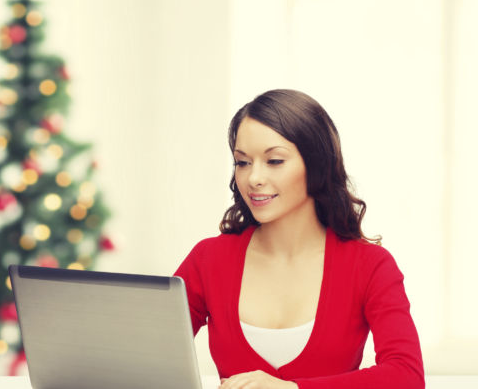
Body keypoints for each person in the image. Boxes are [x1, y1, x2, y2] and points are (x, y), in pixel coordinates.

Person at [174, 89, 424, 389]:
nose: (253, 178)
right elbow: (150, 356)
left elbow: (406, 376)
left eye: (275, 161)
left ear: (316, 165)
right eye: (242, 162)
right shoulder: (208, 259)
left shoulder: (370, 266)